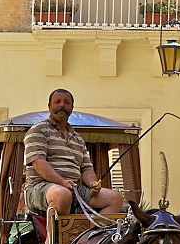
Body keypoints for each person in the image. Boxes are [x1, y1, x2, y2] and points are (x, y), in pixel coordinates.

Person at [23, 88, 123, 218]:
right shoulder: (38, 130)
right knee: (62, 194)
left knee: (115, 198)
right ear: (49, 106)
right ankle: (53, 238)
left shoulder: (77, 138)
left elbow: (86, 168)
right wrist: (62, 181)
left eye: (66, 102)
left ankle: (90, 236)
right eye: (57, 102)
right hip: (40, 187)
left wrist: (92, 183)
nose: (62, 105)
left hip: (74, 188)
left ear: (72, 107)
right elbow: (38, 162)